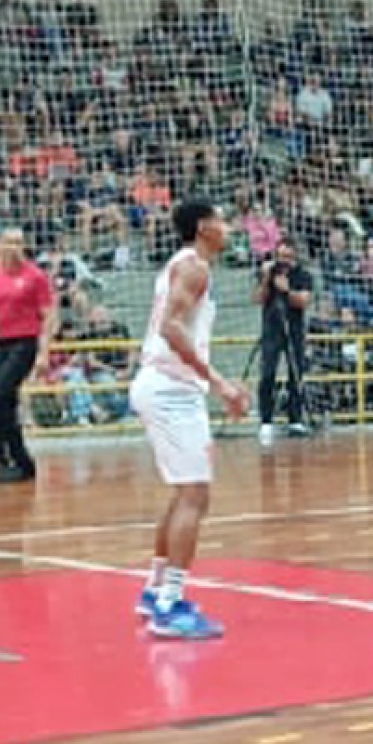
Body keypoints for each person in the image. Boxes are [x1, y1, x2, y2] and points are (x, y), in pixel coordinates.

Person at [131, 201, 250, 639]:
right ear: (204, 228)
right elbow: (171, 328)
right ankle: (170, 605)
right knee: (196, 498)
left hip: (161, 385)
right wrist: (220, 383)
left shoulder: (186, 266)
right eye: (222, 219)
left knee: (185, 494)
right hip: (171, 388)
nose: (228, 226)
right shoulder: (194, 267)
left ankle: (155, 588)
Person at [0, 227, 57, 483]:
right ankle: (4, 459)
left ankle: (20, 460)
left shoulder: (36, 277)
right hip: (3, 343)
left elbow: (50, 316)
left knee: (1, 397)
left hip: (25, 342)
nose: (14, 247)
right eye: (9, 242)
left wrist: (44, 353)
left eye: (19, 243)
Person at [253, 236, 315, 444]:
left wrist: (287, 290)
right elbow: (258, 299)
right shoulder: (269, 273)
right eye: (281, 256)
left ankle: (295, 419)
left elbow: (304, 301)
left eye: (288, 256)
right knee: (268, 374)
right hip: (271, 329)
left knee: (296, 374)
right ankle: (266, 421)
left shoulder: (303, 275)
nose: (284, 261)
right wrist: (265, 278)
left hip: (294, 330)